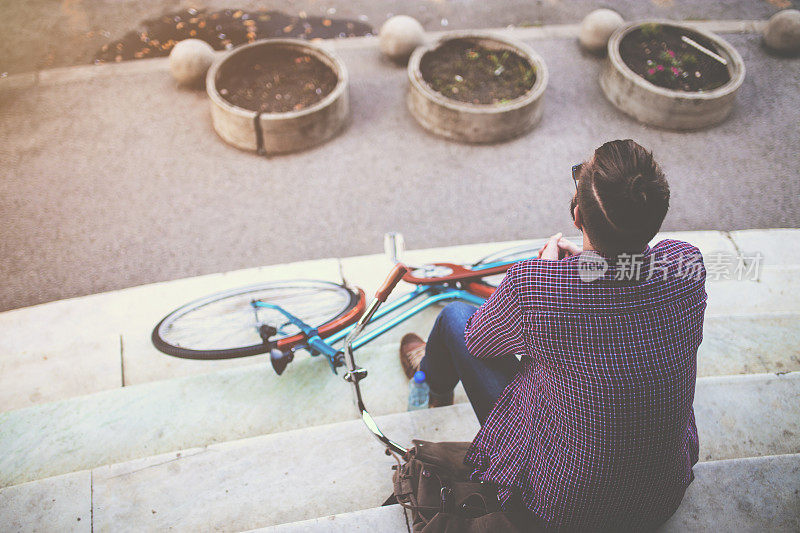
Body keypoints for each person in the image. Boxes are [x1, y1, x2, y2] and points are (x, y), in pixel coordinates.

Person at [399, 139, 706, 531]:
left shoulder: (537, 286)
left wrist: (550, 276)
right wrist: (579, 268)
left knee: (456, 317)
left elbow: (479, 341)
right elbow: (626, 275)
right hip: (660, 496)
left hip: (560, 506)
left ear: (577, 214)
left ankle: (431, 379)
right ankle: (431, 373)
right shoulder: (687, 264)